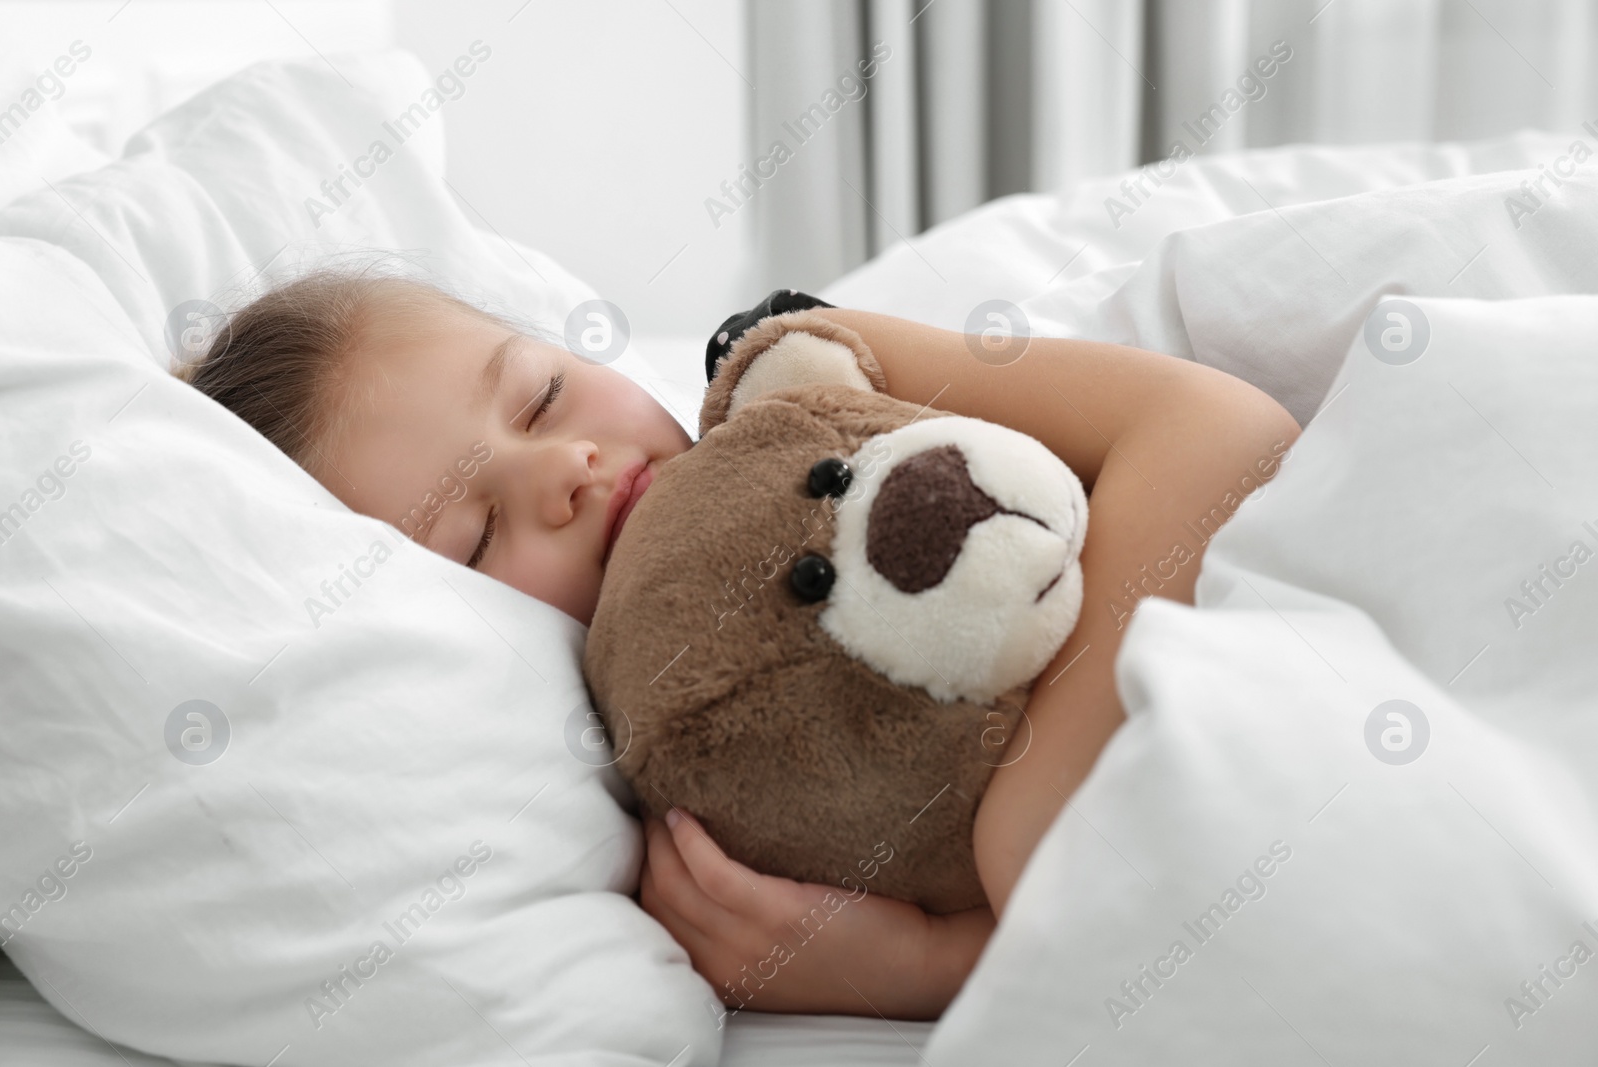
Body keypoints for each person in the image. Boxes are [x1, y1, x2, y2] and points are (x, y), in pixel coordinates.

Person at [180, 269, 1300, 1022]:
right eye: (473, 534)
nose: (560, 467)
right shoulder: (691, 769)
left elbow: (1222, 427)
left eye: (541, 395)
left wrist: (1004, 866)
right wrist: (900, 964)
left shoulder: (812, 379)